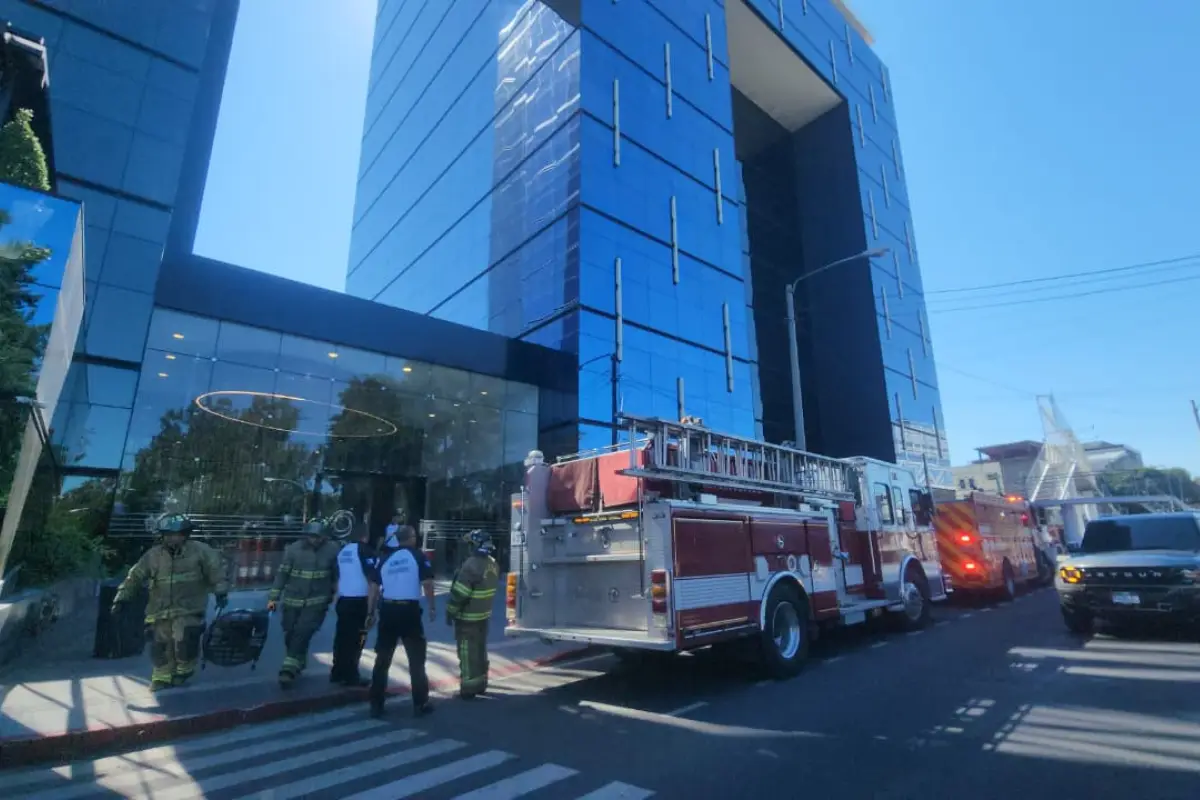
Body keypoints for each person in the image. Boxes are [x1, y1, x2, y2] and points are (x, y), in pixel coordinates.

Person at [111, 514, 228, 692]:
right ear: (162, 536)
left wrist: (221, 591)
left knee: (183, 638)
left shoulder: (201, 551)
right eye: (169, 534)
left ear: (185, 534)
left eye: (178, 534)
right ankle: (161, 677)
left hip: (189, 608)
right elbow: (134, 577)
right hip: (159, 610)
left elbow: (216, 570)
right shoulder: (153, 556)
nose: (173, 538)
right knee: (159, 644)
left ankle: (185, 669)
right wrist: (121, 598)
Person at [368, 524, 435, 718]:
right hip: (409, 612)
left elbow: (373, 587)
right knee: (416, 658)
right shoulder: (418, 556)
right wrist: (432, 606)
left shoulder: (385, 559)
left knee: (382, 659)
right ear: (411, 538)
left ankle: (376, 704)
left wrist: (370, 612)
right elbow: (428, 583)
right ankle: (420, 703)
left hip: (387, 610)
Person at [268, 517, 340, 688]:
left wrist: (337, 595)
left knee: (303, 631)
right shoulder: (293, 550)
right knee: (290, 632)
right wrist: (273, 597)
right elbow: (282, 574)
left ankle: (288, 670)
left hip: (317, 601)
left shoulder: (333, 550)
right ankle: (298, 659)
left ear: (324, 537)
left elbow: (337, 575)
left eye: (318, 537)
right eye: (312, 536)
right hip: (293, 599)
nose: (315, 540)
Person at [445, 529, 500, 699]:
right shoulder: (492, 563)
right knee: (479, 651)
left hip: (467, 618)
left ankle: (468, 688)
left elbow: (460, 593)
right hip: (483, 616)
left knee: (467, 653)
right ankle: (480, 684)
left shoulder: (471, 565)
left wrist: (450, 611)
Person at [330, 525, 378, 686]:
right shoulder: (365, 550)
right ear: (365, 536)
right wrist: (371, 610)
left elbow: (337, 578)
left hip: (344, 600)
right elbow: (373, 582)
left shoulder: (342, 551)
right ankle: (351, 675)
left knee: (342, 638)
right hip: (359, 601)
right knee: (357, 640)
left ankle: (337, 672)